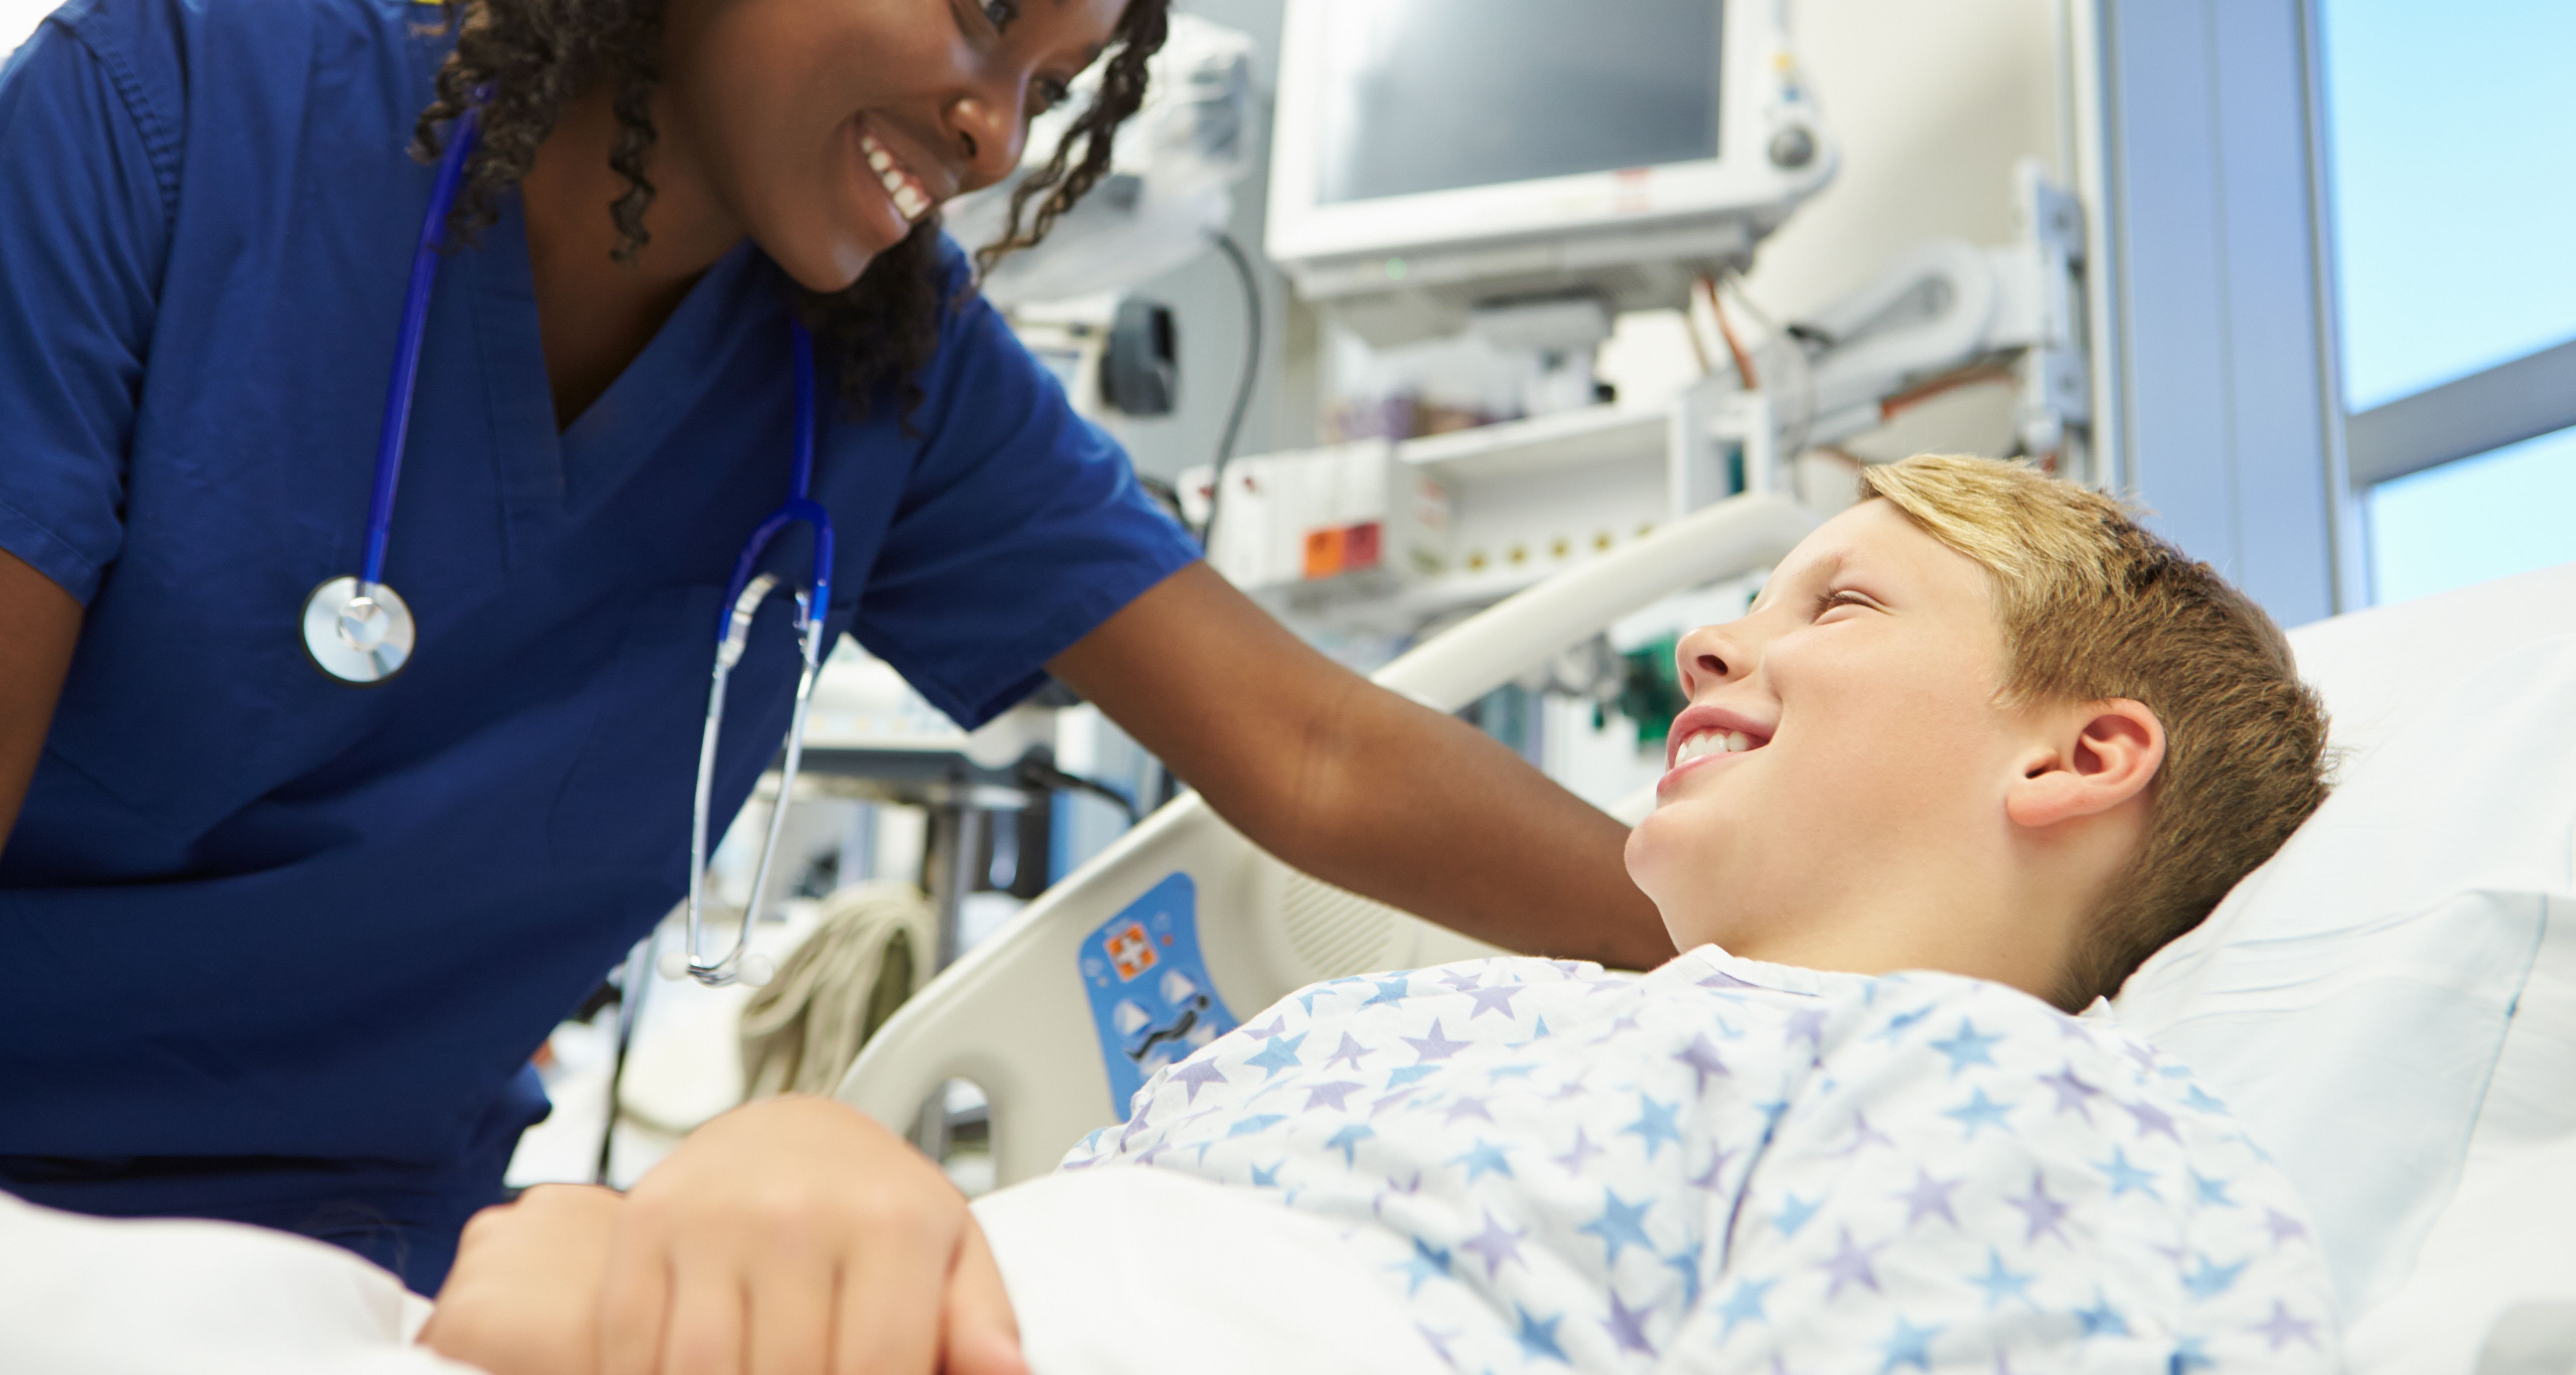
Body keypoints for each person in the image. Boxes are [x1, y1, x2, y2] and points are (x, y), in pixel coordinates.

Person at [0, 0, 1669, 1293]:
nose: (1002, 135)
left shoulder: (884, 370)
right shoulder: (174, 113)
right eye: (988, 2)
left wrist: (1815, 957)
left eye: (1048, 88)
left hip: (379, 1263)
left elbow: (1313, 750)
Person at [417, 454, 2343, 1375]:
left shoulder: (2014, 1105)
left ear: (2084, 759)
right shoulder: (1423, 1027)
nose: (1708, 638)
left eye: (1839, 607)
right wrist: (785, 1178)